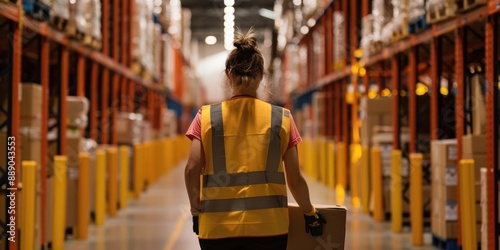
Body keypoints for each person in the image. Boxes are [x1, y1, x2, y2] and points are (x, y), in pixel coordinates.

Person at [184, 28, 326, 250]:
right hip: (270, 229)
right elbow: (295, 179)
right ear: (261, 77)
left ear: (228, 75)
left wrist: (195, 211)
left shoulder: (207, 116)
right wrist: (310, 212)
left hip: (217, 229)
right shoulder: (282, 118)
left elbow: (192, 169)